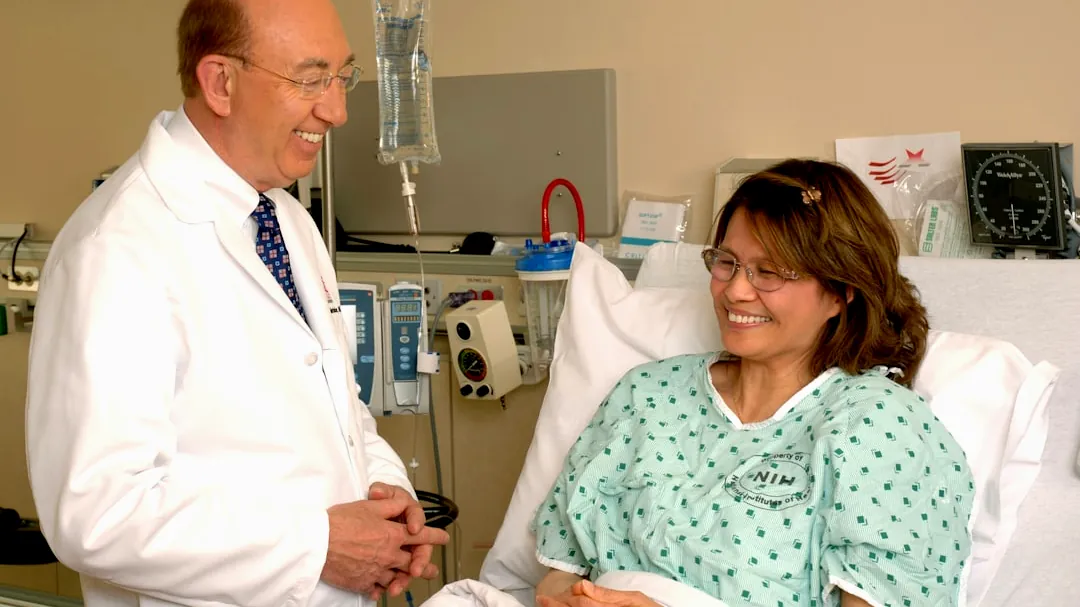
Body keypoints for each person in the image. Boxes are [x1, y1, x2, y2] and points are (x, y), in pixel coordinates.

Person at [23, 1, 449, 606]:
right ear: (220, 82)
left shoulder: (285, 219)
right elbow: (96, 515)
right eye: (310, 79)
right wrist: (318, 545)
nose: (336, 109)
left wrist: (385, 493)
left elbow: (337, 407)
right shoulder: (116, 249)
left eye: (341, 75)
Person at [531, 160, 975, 607]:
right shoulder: (647, 393)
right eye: (727, 263)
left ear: (841, 292)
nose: (736, 291)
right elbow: (557, 574)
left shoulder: (878, 424)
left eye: (771, 271)